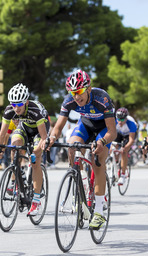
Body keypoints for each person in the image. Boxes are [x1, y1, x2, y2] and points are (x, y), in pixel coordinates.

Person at [45, 69, 116, 228]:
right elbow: (58, 127)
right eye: (72, 93)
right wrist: (51, 138)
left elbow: (112, 131)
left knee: (98, 162)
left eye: (79, 92)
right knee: (71, 146)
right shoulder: (69, 100)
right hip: (86, 124)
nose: (76, 97)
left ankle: (99, 211)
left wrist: (102, 142)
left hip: (104, 128)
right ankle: (80, 176)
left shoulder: (101, 98)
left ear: (89, 89)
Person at [0, 83, 50, 216]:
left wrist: (36, 152)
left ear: (26, 102)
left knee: (35, 160)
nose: (16, 108)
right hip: (25, 127)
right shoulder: (9, 110)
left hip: (40, 130)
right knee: (14, 144)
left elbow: (44, 137)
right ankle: (17, 172)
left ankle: (36, 201)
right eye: (13, 104)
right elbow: (2, 134)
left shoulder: (35, 110)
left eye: (19, 105)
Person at [113, 107, 138, 185]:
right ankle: (116, 162)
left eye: (122, 120)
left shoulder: (131, 124)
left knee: (124, 151)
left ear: (126, 119)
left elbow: (131, 140)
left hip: (128, 135)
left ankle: (123, 175)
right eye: (118, 119)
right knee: (114, 146)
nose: (120, 122)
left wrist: (125, 148)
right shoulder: (114, 121)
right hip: (119, 133)